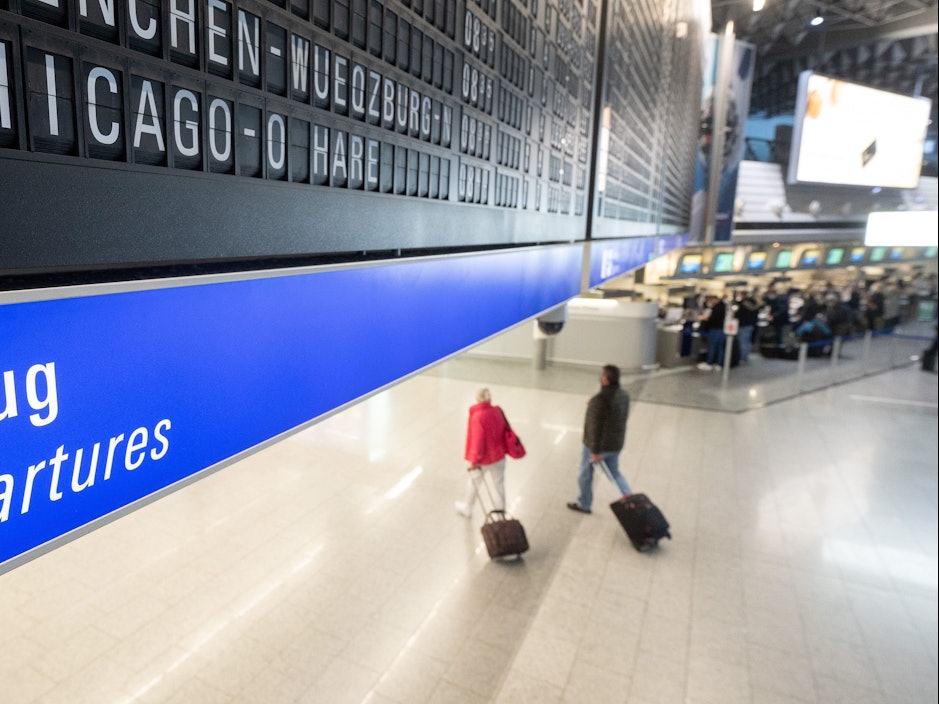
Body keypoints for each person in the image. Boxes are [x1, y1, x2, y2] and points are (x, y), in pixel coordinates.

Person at [567, 364, 632, 514]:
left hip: (597, 447)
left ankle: (584, 504)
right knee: (615, 474)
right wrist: (594, 404)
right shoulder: (624, 395)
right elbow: (614, 415)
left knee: (584, 474)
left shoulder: (599, 401)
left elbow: (595, 428)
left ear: (605, 379)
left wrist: (595, 451)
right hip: (615, 444)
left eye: (602, 375)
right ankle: (631, 500)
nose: (600, 377)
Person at [455, 387, 508, 518]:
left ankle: (467, 508)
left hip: (483, 459)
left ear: (477, 398)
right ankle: (500, 514)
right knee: (499, 486)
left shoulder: (477, 416)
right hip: (499, 456)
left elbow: (477, 441)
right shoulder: (497, 411)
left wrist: (473, 461)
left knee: (473, 483)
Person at [697, 294, 726, 370]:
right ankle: (718, 364)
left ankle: (709, 363)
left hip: (715, 329)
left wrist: (703, 318)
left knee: (712, 347)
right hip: (722, 330)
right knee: (720, 347)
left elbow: (710, 319)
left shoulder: (715, 308)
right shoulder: (724, 306)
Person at [735, 289, 761, 363]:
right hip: (751, 324)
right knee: (747, 342)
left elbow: (739, 314)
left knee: (743, 342)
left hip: (744, 325)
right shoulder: (753, 302)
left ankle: (742, 358)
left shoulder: (743, 303)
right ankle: (745, 357)